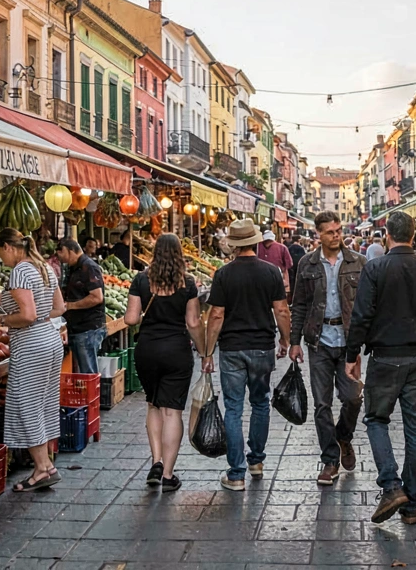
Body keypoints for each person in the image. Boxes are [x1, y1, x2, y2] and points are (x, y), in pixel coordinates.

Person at [346, 210, 416, 525]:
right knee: (415, 428)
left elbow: (361, 315)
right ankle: (412, 504)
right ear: (415, 236)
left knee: (376, 419)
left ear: (386, 235)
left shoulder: (375, 268)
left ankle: (391, 485)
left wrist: (352, 355)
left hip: (386, 357)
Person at [203, 219, 290, 491]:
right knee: (261, 402)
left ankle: (236, 472)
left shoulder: (223, 274)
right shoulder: (272, 272)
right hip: (263, 345)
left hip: (232, 348)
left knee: (233, 408)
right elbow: (282, 310)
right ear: (254, 241)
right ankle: (256, 461)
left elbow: (216, 315)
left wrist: (207, 352)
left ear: (234, 245)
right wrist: (285, 339)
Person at [0, 228, 66, 492]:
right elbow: (59, 307)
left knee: (25, 404)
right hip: (49, 338)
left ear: (8, 247)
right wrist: (5, 301)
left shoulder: (19, 271)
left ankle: (43, 468)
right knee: (42, 403)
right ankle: (46, 465)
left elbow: (27, 315)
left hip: (31, 345)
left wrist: (0, 320)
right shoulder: (43, 267)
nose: (1, 258)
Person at [288, 211, 365, 486]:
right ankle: (330, 460)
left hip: (348, 342)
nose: (337, 235)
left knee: (353, 397)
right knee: (322, 404)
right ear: (318, 234)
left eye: (339, 230)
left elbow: (367, 306)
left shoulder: (358, 262)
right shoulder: (307, 264)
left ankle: (344, 436)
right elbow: (298, 305)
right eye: (330, 231)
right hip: (318, 341)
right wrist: (294, 341)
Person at [125, 233, 201, 493]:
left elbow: (131, 319)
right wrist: (205, 351)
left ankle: (155, 461)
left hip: (147, 350)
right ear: (179, 254)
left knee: (153, 404)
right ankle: (168, 474)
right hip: (177, 351)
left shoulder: (140, 280)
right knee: (173, 412)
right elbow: (193, 323)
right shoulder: (188, 283)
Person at [55, 239, 106, 375]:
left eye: (62, 252)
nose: (60, 256)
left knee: (87, 373)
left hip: (88, 329)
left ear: (71, 251)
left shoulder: (89, 267)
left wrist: (71, 305)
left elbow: (96, 297)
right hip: (77, 328)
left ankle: (92, 397)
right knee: (82, 374)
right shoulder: (73, 268)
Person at [256, 230, 294, 298]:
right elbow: (288, 265)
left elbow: (287, 267)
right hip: (276, 280)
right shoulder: (282, 248)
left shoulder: (257, 247)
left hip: (260, 280)